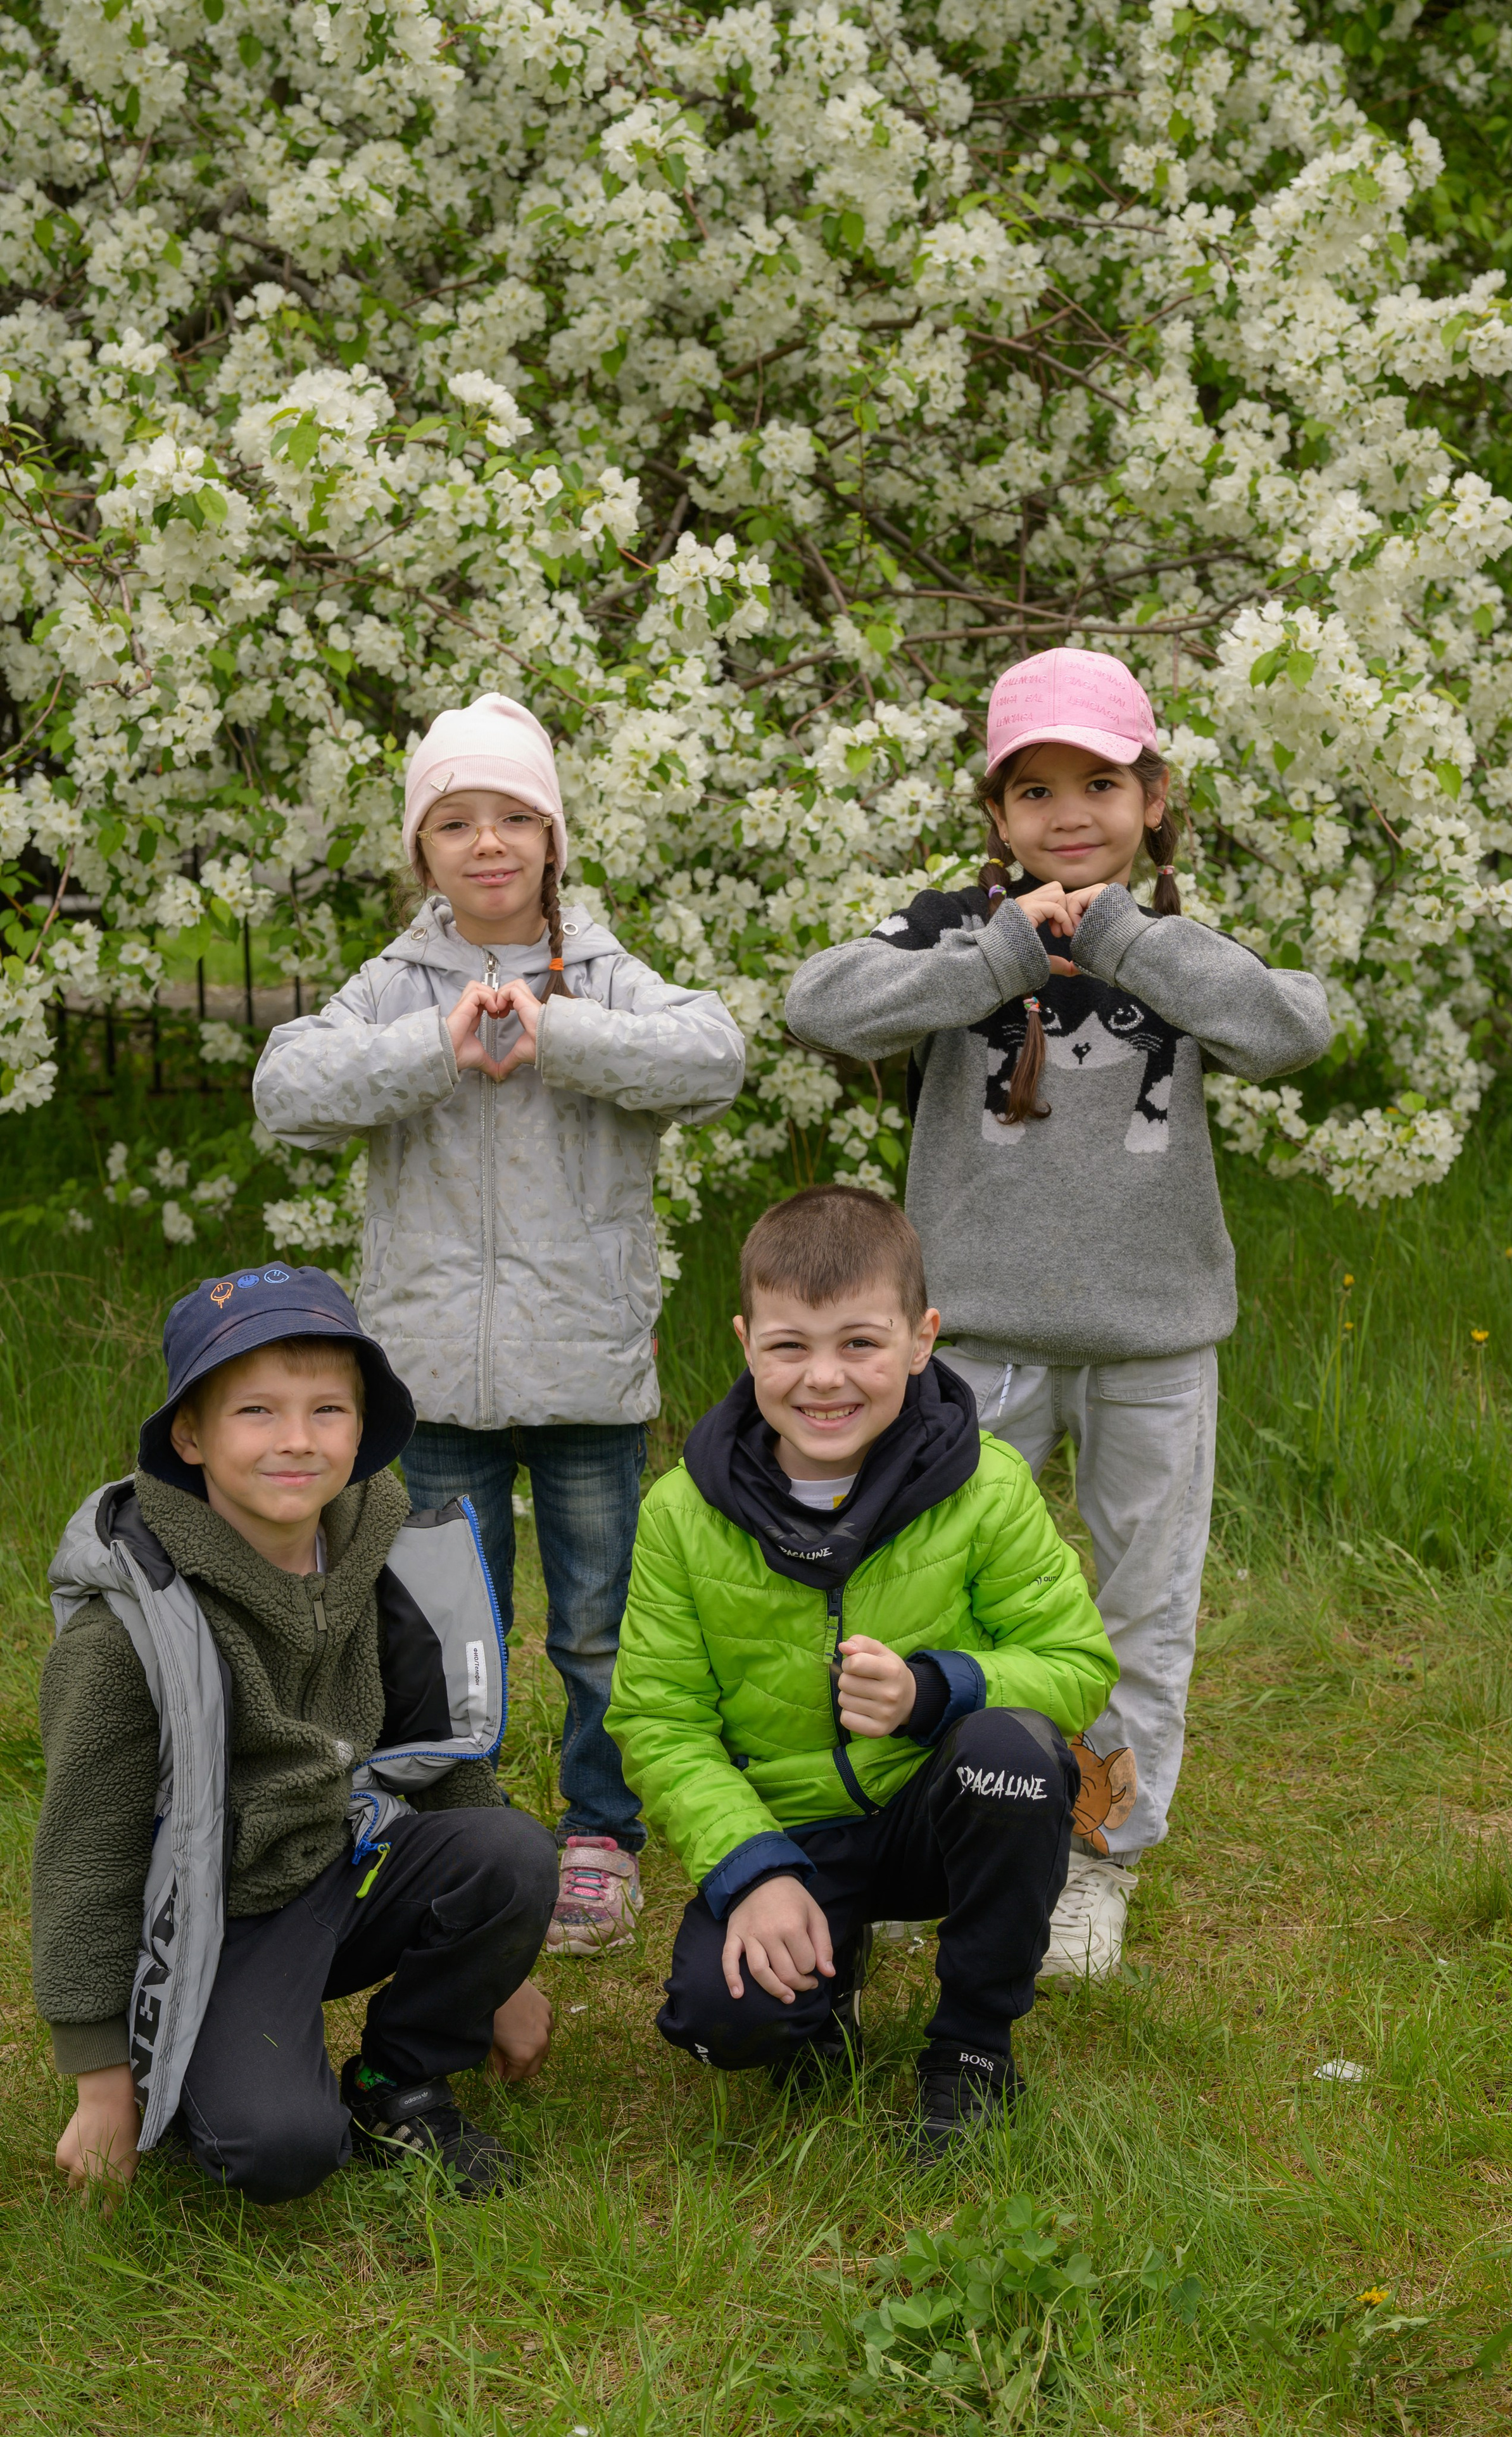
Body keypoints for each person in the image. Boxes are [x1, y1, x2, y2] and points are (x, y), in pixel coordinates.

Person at [784, 649, 1332, 1978]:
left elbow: (1290, 1029)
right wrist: (991, 953)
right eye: (1034, 789)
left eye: (1099, 782)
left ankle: (1099, 1854)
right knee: (941, 1589)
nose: (1068, 813)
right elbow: (818, 1004)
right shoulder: (945, 929)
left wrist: (1127, 945)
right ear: (996, 812)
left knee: (1143, 1603)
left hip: (1152, 1339)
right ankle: (947, 1837)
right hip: (973, 1334)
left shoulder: (1175, 948)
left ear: (1150, 796)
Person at [255, 694, 746, 1959]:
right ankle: (447, 1830)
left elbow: (711, 1057)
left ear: (553, 838)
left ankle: (599, 1833)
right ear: (421, 849)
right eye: (454, 821)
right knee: (435, 1620)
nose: (486, 845)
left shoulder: (602, 972)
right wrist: (437, 1049)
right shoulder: (398, 984)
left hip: (584, 1372)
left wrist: (557, 1036)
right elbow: (288, 1089)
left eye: (513, 819)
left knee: (597, 1622)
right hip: (429, 1383)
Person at [605, 1186, 1118, 2160]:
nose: (824, 1379)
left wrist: (938, 1691)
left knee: (1012, 1752)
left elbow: (1077, 1665)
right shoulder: (680, 1513)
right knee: (726, 2027)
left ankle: (972, 2049)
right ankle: (820, 1981)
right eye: (791, 1345)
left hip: (939, 1809)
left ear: (923, 1341)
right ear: (746, 1340)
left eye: (861, 1344)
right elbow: (659, 1720)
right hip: (791, 1830)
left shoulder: (988, 1485)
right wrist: (752, 1868)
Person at [34, 1265, 557, 2207]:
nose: (296, 1442)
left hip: (344, 1867)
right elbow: (83, 1859)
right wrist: (101, 2080)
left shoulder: (381, 1554)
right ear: (189, 1435)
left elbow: (439, 1760)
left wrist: (496, 1975)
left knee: (513, 1853)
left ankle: (396, 2081)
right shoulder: (127, 1634)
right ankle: (222, 2064)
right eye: (256, 1413)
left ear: (362, 1429)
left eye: (327, 1410)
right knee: (278, 2152)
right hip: (213, 1924)